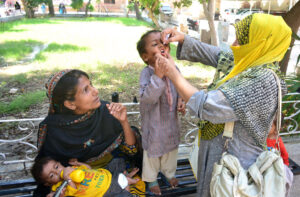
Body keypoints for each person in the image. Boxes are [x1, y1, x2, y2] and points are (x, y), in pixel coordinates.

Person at [157, 13, 291, 197]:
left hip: (236, 167)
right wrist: (183, 39)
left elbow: (209, 106)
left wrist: (174, 74)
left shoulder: (263, 80)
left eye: (242, 39)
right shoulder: (251, 62)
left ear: (259, 43)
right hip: (221, 155)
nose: (234, 44)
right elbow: (220, 55)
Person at [34, 69, 144, 197]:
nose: (95, 91)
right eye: (86, 90)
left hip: (113, 172)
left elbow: (131, 151)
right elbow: (49, 175)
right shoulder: (55, 131)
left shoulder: (105, 111)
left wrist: (124, 122)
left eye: (91, 84)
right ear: (70, 104)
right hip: (80, 186)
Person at [136, 30, 185, 195]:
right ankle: (151, 179)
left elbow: (180, 86)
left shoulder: (173, 67)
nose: (162, 46)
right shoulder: (147, 73)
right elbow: (147, 98)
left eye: (163, 42)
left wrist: (181, 100)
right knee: (153, 152)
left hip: (170, 120)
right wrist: (158, 75)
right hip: (154, 122)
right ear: (145, 56)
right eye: (155, 44)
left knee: (171, 149)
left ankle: (168, 173)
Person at [31, 157, 139, 197]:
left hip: (105, 174)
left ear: (60, 163)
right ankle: (126, 180)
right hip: (105, 190)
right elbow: (72, 190)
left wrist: (78, 163)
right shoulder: (59, 187)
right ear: (48, 183)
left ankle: (125, 178)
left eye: (56, 167)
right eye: (52, 175)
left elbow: (88, 168)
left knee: (117, 161)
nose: (58, 172)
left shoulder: (72, 168)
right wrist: (68, 179)